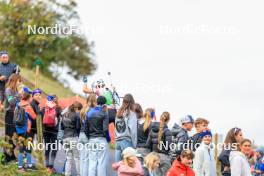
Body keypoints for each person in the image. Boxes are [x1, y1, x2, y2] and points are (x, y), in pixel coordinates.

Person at [14, 87, 37, 172]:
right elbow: (34, 117)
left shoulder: (18, 104)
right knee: (28, 147)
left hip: (19, 129)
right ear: (29, 97)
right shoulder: (28, 106)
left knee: (21, 148)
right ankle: (28, 165)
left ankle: (21, 166)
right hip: (27, 130)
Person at [86, 96, 109, 176]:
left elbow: (86, 128)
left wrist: (89, 137)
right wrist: (107, 139)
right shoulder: (104, 114)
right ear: (104, 104)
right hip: (101, 139)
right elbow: (105, 129)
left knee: (92, 163)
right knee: (101, 163)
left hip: (92, 139)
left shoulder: (89, 113)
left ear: (97, 102)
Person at [146, 112, 172, 176]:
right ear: (168, 120)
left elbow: (148, 144)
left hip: (154, 157)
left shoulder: (152, 130)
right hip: (164, 157)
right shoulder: (167, 131)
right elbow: (169, 146)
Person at [42, 95, 62, 173]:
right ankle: (51, 166)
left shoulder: (44, 108)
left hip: (45, 131)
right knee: (54, 148)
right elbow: (61, 117)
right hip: (54, 131)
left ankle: (47, 166)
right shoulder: (58, 108)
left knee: (47, 148)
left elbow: (39, 117)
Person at [3, 74, 21, 162]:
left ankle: (12, 155)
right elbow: (11, 102)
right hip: (9, 114)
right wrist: (19, 96)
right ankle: (6, 157)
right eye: (18, 81)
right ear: (14, 81)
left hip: (16, 114)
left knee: (14, 135)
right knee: (9, 135)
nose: (19, 83)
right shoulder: (8, 90)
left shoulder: (16, 90)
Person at [115, 94, 138, 162]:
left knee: (119, 168)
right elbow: (133, 131)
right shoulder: (132, 114)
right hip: (127, 142)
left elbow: (116, 128)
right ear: (132, 102)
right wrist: (134, 145)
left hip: (118, 142)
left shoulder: (118, 113)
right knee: (129, 168)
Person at [62, 101, 82, 176]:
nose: (79, 112)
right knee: (77, 157)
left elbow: (62, 126)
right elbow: (78, 127)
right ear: (77, 108)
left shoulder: (65, 114)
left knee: (68, 158)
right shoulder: (76, 116)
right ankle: (79, 174)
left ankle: (67, 174)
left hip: (65, 137)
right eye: (79, 110)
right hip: (73, 137)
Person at [79, 93, 97, 176]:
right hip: (87, 135)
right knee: (86, 159)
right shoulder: (92, 111)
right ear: (94, 101)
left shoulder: (83, 109)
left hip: (80, 135)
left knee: (82, 159)